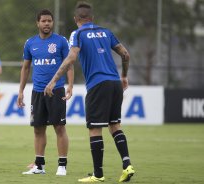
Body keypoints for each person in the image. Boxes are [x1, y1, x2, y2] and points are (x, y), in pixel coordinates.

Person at [44, 2, 135, 183]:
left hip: (97, 85)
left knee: (95, 129)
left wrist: (53, 80)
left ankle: (98, 174)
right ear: (92, 18)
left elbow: (71, 57)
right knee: (115, 125)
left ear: (76, 19)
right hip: (115, 83)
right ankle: (127, 165)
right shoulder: (106, 32)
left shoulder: (77, 34)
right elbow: (125, 54)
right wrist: (124, 76)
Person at [17, 9, 74, 176]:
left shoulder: (61, 41)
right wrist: (21, 91)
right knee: (38, 129)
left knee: (59, 127)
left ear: (52, 23)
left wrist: (70, 85)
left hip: (56, 91)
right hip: (37, 92)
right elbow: (26, 68)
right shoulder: (30, 43)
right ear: (38, 23)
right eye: (44, 21)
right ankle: (39, 166)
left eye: (49, 21)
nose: (47, 24)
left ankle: (62, 166)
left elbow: (69, 64)